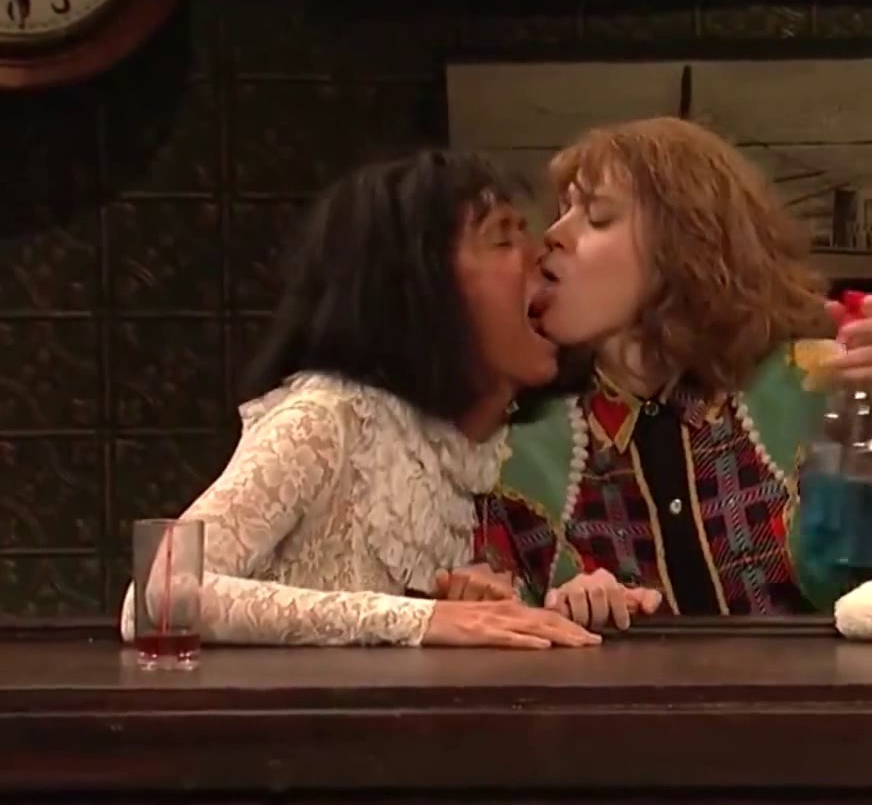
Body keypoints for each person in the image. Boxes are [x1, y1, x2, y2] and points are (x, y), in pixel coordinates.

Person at [478, 117, 872, 627]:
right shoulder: (522, 449)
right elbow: (496, 625)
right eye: (562, 211)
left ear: (684, 246)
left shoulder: (813, 385)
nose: (553, 235)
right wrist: (563, 612)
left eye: (597, 216)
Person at [119, 150, 600, 650]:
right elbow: (160, 595)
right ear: (419, 287)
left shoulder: (461, 453)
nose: (540, 255)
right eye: (503, 239)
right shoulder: (326, 419)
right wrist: (421, 619)